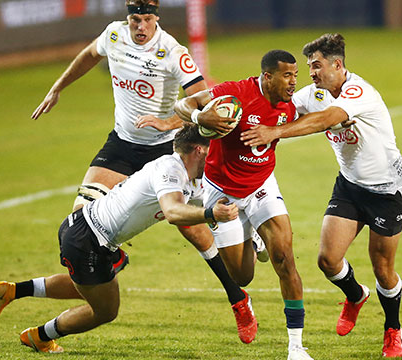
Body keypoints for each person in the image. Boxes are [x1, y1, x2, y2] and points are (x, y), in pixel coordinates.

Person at [25, 0, 255, 343]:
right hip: (121, 146)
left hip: (165, 146)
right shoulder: (114, 35)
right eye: (136, 19)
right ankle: (93, 284)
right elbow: (90, 54)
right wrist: (58, 87)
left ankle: (237, 298)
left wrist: (167, 122)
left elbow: (202, 105)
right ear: (128, 18)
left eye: (147, 20)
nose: (141, 26)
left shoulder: (173, 52)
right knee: (80, 221)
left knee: (192, 229)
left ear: (156, 18)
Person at [0, 124, 242, 353]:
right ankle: (39, 337)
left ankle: (13, 291)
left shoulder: (189, 178)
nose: (218, 156)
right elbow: (174, 213)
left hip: (89, 234)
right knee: (106, 310)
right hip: (88, 241)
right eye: (214, 150)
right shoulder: (169, 169)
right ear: (199, 150)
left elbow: (209, 201)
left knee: (88, 287)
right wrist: (210, 214)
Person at [241, 34, 402, 358]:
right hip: (349, 186)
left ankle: (392, 327)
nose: (311, 73)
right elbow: (282, 105)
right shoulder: (313, 93)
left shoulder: (359, 93)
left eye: (316, 66)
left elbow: (327, 120)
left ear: (338, 65)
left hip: (387, 190)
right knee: (327, 261)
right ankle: (356, 295)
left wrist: (275, 132)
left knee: (383, 268)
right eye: (309, 67)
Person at [174, 50, 313, 360]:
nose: (293, 82)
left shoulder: (293, 104)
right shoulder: (235, 93)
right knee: (241, 277)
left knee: (285, 259)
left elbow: (321, 117)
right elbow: (182, 104)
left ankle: (296, 347)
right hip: (223, 192)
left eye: (295, 75)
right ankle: (252, 241)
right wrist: (201, 116)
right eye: (287, 75)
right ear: (267, 76)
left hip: (263, 186)